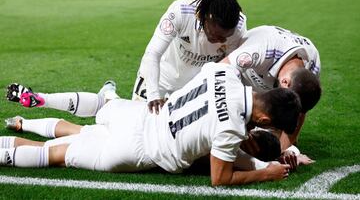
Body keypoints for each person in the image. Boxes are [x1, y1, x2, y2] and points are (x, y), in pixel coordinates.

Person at [1, 62, 301, 186]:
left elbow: (220, 96)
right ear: (263, 120)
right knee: (53, 155)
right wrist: (267, 172)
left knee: (92, 117)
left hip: (140, 115)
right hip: (137, 149)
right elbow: (220, 178)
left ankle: (102, 96)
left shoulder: (226, 72)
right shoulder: (232, 129)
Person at [132, 0, 247, 114]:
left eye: (226, 37)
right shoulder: (182, 10)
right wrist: (153, 95)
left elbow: (229, 68)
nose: (221, 40)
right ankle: (112, 96)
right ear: (207, 18)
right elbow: (153, 53)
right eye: (216, 34)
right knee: (138, 119)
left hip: (193, 87)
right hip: (160, 77)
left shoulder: (239, 26)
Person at [220, 25, 322, 150]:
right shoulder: (260, 50)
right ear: (285, 82)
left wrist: (282, 151)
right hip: (238, 78)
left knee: (270, 143)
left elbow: (299, 112)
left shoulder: (312, 65)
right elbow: (219, 71)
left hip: (263, 87)